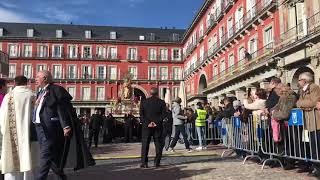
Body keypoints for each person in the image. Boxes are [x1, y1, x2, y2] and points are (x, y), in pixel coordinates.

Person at [34, 70, 94, 180]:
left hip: (50, 129)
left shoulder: (56, 90)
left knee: (45, 156)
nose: (35, 78)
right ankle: (61, 177)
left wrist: (66, 126)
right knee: (52, 157)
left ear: (45, 78)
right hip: (40, 128)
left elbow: (61, 110)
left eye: (38, 76)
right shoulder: (40, 92)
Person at [0, 76, 38, 180]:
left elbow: (2, 116)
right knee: (28, 160)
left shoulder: (8, 96)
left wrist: (5, 131)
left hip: (11, 134)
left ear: (15, 83)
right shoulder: (32, 95)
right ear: (26, 83)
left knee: (12, 162)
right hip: (29, 134)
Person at [296, 72, 320, 177]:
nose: (298, 82)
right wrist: (303, 104)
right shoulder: (302, 90)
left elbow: (313, 102)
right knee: (311, 147)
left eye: (300, 79)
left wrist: (302, 104)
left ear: (305, 80)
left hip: (315, 121)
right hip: (308, 122)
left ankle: (318, 169)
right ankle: (314, 167)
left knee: (317, 147)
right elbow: (298, 103)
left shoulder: (314, 87)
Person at [139, 87, 166, 168]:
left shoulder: (144, 102)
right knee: (158, 144)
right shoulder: (161, 102)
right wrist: (156, 122)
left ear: (150, 93)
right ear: (157, 93)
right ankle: (156, 162)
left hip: (146, 127)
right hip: (157, 127)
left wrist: (148, 123)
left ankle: (144, 163)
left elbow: (141, 114)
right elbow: (163, 114)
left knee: (145, 144)